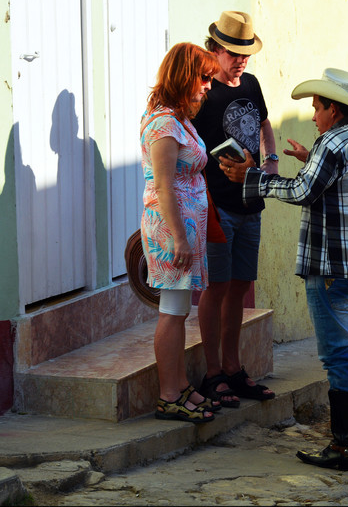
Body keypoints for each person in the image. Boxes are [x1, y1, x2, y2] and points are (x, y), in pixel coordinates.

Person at [219, 68, 348, 471]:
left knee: (337, 354)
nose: (314, 115)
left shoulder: (331, 144)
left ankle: (345, 444)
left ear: (333, 108)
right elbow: (345, 184)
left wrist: (253, 176)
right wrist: (307, 159)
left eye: (317, 107)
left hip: (331, 267)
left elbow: (301, 191)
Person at [192, 11, 277, 407]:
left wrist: (272, 159)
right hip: (217, 205)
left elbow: (264, 123)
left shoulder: (253, 83)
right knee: (217, 288)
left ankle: (233, 367)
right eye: (233, 52)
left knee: (240, 287)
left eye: (246, 52)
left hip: (251, 202)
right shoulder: (203, 91)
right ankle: (212, 373)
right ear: (214, 49)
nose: (241, 60)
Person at [140, 42, 222, 424]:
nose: (208, 85)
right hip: (172, 232)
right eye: (203, 78)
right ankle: (168, 395)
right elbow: (164, 187)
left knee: (178, 311)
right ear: (184, 76)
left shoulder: (178, 119)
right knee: (172, 313)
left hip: (185, 229)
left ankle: (180, 386)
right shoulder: (163, 125)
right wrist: (179, 237)